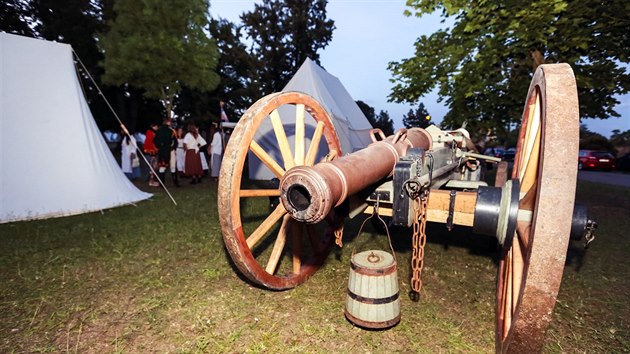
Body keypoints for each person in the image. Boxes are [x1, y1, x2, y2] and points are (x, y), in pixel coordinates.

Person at [154, 117, 180, 187]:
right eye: (170, 122)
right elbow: (175, 142)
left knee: (163, 166)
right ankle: (175, 183)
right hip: (168, 151)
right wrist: (172, 147)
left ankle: (162, 184)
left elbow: (155, 141)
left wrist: (160, 146)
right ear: (168, 122)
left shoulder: (159, 130)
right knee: (172, 166)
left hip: (164, 151)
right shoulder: (172, 131)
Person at [144, 122, 159, 187]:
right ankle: (151, 181)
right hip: (150, 152)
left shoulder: (153, 133)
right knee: (152, 167)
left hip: (154, 152)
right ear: (154, 126)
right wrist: (152, 153)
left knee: (154, 167)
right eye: (156, 126)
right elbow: (150, 143)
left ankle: (152, 180)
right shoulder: (150, 132)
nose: (157, 128)